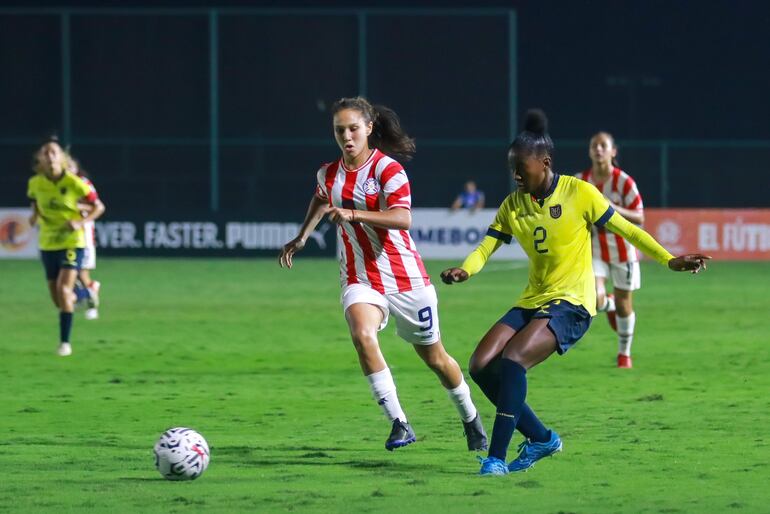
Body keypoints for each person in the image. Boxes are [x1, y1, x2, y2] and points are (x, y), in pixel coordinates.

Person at [440, 110, 710, 475]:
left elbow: (626, 229)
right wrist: (465, 270)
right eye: (512, 168)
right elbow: (486, 247)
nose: (516, 175)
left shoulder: (579, 192)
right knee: (480, 365)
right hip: (534, 299)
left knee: (514, 359)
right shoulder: (513, 204)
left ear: (545, 162)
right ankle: (541, 439)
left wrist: (667, 260)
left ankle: (496, 458)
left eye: (522, 167)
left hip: (574, 303)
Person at [279, 96, 487, 452]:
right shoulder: (328, 173)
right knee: (361, 333)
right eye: (339, 130)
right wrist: (302, 235)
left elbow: (403, 218)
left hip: (406, 279)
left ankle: (470, 417)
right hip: (359, 276)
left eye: (353, 129)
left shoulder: (387, 170)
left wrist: (353, 215)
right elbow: (320, 196)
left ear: (369, 129)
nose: (347, 136)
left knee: (436, 358)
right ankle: (399, 422)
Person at [28, 139, 106, 356]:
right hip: (48, 242)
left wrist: (80, 222)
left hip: (73, 242)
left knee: (64, 289)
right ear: (40, 160)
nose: (50, 156)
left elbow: (99, 206)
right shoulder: (35, 184)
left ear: (61, 158)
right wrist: (33, 217)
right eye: (46, 153)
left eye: (54, 152)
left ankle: (65, 343)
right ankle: (83, 295)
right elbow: (35, 204)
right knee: (59, 299)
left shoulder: (75, 183)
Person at [577, 132, 643, 368]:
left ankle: (624, 353)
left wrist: (611, 209)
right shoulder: (580, 181)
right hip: (593, 250)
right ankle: (609, 304)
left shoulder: (624, 182)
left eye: (603, 146)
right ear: (589, 151)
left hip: (623, 251)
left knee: (625, 306)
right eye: (594, 145)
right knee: (594, 298)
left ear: (613, 151)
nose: (598, 149)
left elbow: (640, 216)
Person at [67, 154, 102, 320]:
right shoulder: (61, 186)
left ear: (76, 168)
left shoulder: (83, 184)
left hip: (84, 235)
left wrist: (76, 207)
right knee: (66, 270)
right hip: (66, 235)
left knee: (81, 273)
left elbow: (96, 206)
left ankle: (91, 303)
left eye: (70, 166)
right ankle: (80, 295)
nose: (67, 170)